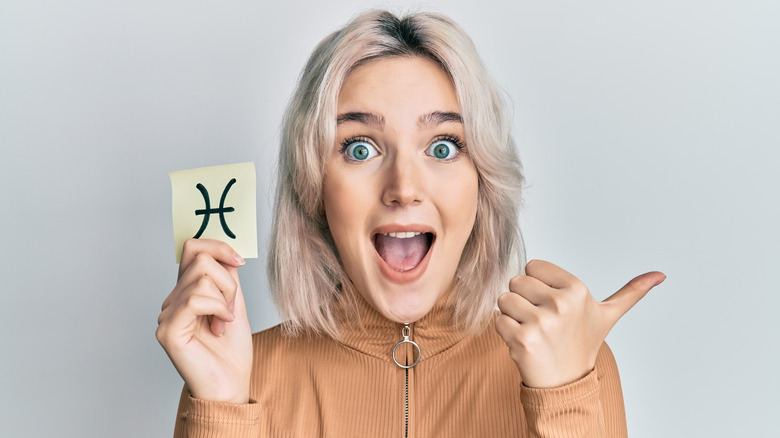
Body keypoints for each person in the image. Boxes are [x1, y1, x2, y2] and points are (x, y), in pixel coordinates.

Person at [156, 9, 665, 437]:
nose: (403, 187)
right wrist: (221, 408)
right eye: (360, 148)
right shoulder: (237, 378)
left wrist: (564, 399)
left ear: (484, 184)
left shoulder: (573, 365)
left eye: (442, 147)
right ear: (313, 188)